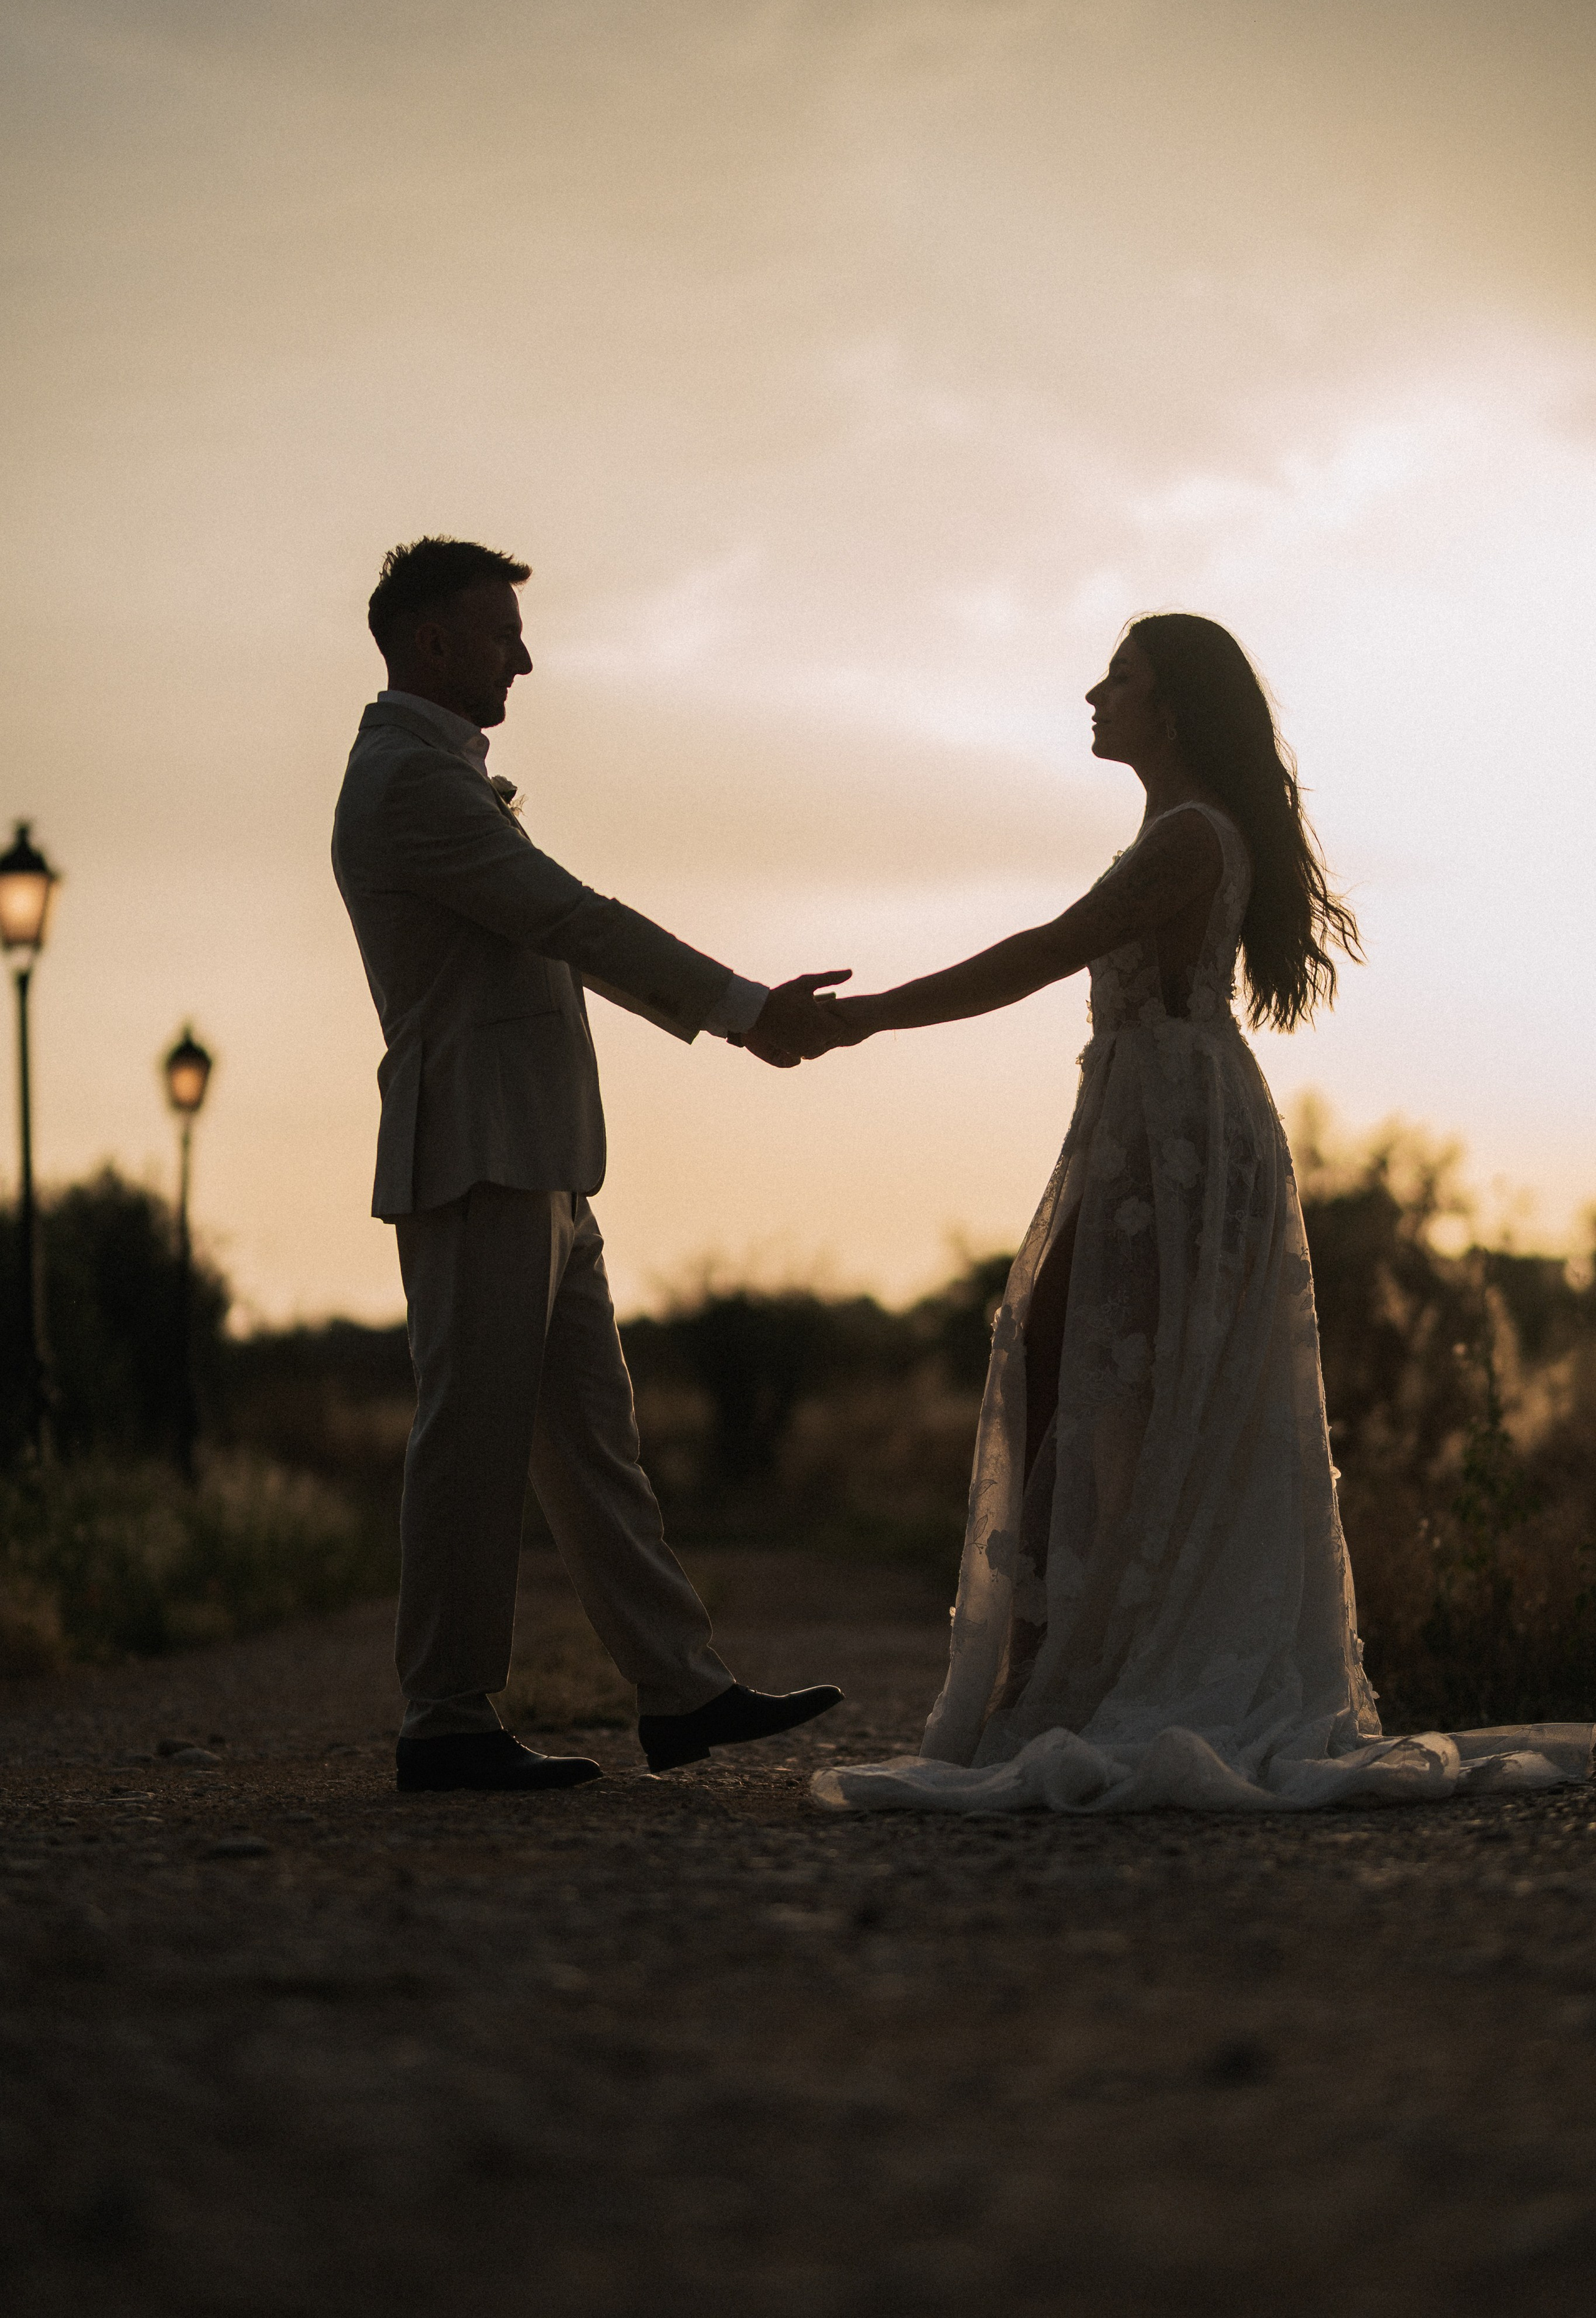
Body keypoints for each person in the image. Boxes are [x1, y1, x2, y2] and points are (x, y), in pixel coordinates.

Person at [813, 614, 1593, 1814]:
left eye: (1117, 677)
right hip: (1152, 1121)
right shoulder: (1178, 830)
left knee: (1091, 1373)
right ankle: (1070, 1661)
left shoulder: (1187, 837)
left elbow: (1040, 952)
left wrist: (870, 1017)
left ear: (1168, 706)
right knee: (1088, 1373)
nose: (1094, 692)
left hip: (1174, 1134)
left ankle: (1064, 1671)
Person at [333, 536, 847, 1793]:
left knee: (589, 1442)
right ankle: (444, 1719)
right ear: (431, 643)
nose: (525, 654)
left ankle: (678, 1691)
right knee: (472, 1440)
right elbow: (569, 920)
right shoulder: (409, 781)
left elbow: (562, 941)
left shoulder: (438, 773)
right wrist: (742, 1009)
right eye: (502, 631)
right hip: (478, 1153)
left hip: (540, 1158)